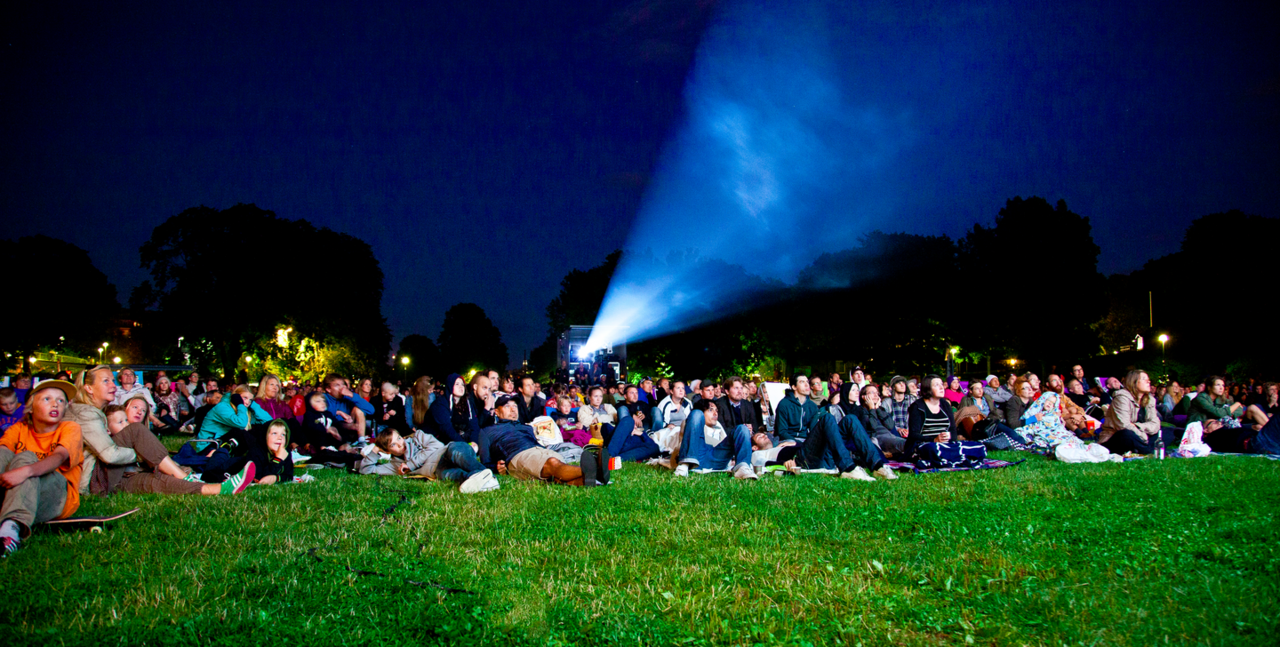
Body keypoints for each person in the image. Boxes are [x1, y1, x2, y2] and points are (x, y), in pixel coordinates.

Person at [70, 367, 252, 498]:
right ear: (88, 388)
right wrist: (142, 453)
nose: (113, 384)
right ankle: (186, 477)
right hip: (94, 479)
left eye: (112, 379)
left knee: (153, 481)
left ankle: (218, 489)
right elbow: (109, 455)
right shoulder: (85, 412)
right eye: (106, 381)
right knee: (135, 431)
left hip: (105, 483)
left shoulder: (97, 411)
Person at [0, 380, 84, 556]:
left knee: (26, 457)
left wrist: (27, 471)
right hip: (18, 493)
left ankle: (9, 533)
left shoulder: (70, 428)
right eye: (47, 399)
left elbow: (59, 456)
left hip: (57, 495)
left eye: (61, 401)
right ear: (30, 407)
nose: (55, 404)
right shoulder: (18, 429)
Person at [477, 396, 601, 486]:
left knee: (556, 474)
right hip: (517, 454)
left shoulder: (526, 427)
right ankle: (595, 470)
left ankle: (588, 480)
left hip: (540, 450)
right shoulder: (488, 431)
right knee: (552, 464)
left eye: (515, 406)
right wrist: (496, 468)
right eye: (507, 406)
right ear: (497, 412)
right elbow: (485, 462)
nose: (513, 409)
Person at [359, 427, 498, 493]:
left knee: (457, 454)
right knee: (445, 474)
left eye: (399, 438)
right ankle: (483, 481)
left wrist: (411, 464)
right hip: (437, 469)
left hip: (448, 451)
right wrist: (376, 450)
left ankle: (483, 474)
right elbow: (366, 470)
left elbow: (437, 446)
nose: (400, 444)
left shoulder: (417, 437)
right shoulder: (395, 466)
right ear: (388, 451)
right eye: (393, 445)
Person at [672, 399, 757, 479]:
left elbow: (725, 446)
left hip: (717, 457)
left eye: (716, 410)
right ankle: (685, 465)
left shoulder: (718, 426)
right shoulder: (692, 421)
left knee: (742, 428)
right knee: (696, 413)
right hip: (697, 456)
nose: (715, 413)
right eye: (710, 410)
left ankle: (743, 467)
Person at [1098, 370, 1170, 455]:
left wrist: (1139, 426)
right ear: (1134, 382)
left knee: (1169, 431)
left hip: (1139, 434)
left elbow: (1155, 423)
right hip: (1115, 438)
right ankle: (1149, 450)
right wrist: (1143, 436)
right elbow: (1123, 426)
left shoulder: (1149, 400)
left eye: (1148, 379)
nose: (1148, 381)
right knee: (1127, 434)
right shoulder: (1121, 398)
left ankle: (1141, 448)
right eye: (1144, 379)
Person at [201, 419, 292, 486]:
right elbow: (258, 478)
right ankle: (224, 448)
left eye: (283, 434)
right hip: (228, 467)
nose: (280, 437)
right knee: (212, 466)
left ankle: (226, 450)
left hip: (242, 460)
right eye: (274, 433)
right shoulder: (256, 451)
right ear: (265, 436)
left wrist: (276, 478)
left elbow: (288, 475)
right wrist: (277, 460)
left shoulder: (285, 452)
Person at [198, 385, 273, 443]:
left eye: (250, 400)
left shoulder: (244, 410)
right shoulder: (223, 407)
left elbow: (268, 421)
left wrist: (253, 405)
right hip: (209, 444)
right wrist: (240, 404)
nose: (247, 402)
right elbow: (241, 423)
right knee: (240, 433)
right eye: (244, 398)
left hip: (226, 443)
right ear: (236, 397)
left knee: (259, 430)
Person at [904, 375, 955, 458]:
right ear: (928, 388)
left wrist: (950, 437)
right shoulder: (917, 407)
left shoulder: (945, 404)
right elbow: (913, 435)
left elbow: (953, 429)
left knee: (976, 446)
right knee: (932, 449)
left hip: (945, 445)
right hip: (924, 446)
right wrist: (934, 440)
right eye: (936, 385)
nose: (941, 387)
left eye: (942, 384)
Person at [854, 384, 906, 456]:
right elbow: (873, 427)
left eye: (877, 393)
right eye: (872, 392)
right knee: (904, 444)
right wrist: (871, 409)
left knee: (910, 443)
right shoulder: (859, 410)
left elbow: (891, 426)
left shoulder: (881, 409)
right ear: (863, 397)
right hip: (877, 438)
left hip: (890, 436)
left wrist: (878, 409)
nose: (876, 395)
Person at [322, 374, 375, 438]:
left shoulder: (348, 397)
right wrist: (339, 412)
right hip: (332, 431)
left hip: (349, 428)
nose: (341, 388)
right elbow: (319, 411)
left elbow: (371, 410)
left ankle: (361, 441)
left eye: (342, 384)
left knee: (357, 409)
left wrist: (351, 395)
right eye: (337, 385)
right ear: (328, 389)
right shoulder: (323, 397)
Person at [775, 374, 819, 442]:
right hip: (788, 440)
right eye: (802, 382)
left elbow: (814, 429)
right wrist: (797, 443)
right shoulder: (784, 404)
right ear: (794, 387)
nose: (807, 385)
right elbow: (782, 431)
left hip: (806, 441)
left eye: (807, 381)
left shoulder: (812, 406)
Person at [886, 376, 915, 440]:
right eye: (899, 383)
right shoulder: (887, 402)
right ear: (893, 387)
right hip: (893, 434)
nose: (902, 385)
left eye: (903, 383)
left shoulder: (912, 400)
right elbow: (885, 421)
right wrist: (897, 429)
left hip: (911, 433)